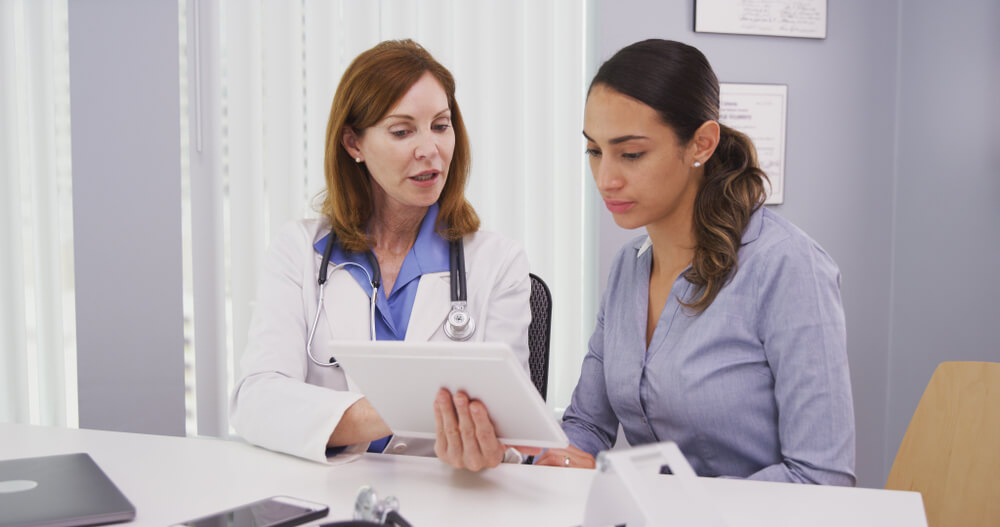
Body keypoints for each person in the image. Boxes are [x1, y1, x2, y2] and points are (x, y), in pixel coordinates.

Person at [534, 39, 856, 485]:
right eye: (594, 151)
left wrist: (658, 497)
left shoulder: (788, 267)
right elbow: (587, 426)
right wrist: (539, 459)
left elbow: (821, 478)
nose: (605, 178)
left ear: (700, 144)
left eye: (631, 154)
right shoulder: (629, 266)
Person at [230, 39, 531, 470]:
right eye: (402, 130)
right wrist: (394, 409)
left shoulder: (498, 263)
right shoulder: (298, 252)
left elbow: (507, 420)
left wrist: (489, 446)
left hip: (449, 497)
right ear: (353, 143)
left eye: (441, 125)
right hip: (329, 494)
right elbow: (256, 399)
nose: (430, 149)